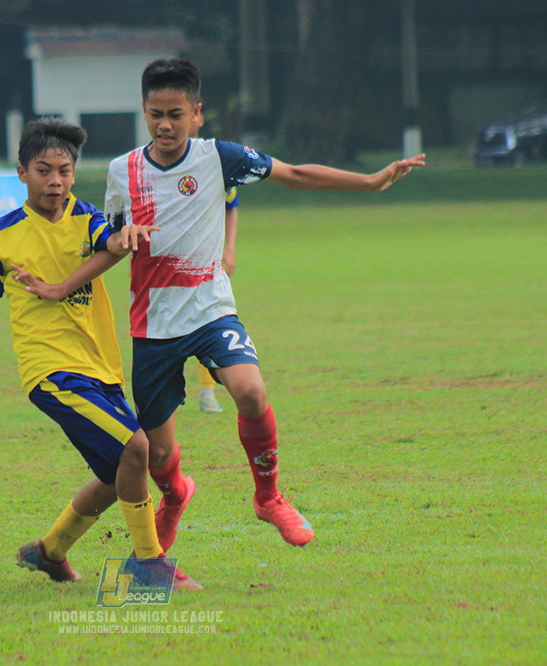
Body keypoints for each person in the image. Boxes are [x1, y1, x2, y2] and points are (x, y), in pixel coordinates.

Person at [28, 58, 424, 554]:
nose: (165, 124)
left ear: (197, 113)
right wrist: (89, 264)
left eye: (176, 113)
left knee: (251, 392)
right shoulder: (121, 171)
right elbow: (110, 240)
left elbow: (295, 174)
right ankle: (175, 496)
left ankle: (269, 497)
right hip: (153, 325)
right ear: (144, 112)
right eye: (155, 114)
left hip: (212, 311)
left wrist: (370, 182)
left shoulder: (221, 157)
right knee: (158, 454)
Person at [0, 117, 200, 589]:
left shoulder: (88, 215)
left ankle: (51, 551)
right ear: (21, 173)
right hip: (51, 371)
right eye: (43, 170)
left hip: (101, 367)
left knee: (118, 470)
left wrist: (128, 235)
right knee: (136, 448)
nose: (54, 180)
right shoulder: (1, 235)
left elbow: (112, 241)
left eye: (63, 170)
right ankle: (149, 568)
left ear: (74, 173)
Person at [191, 116, 240, 414]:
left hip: (208, 265)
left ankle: (207, 392)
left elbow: (231, 208)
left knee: (207, 322)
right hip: (170, 268)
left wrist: (230, 249)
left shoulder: (217, 166)